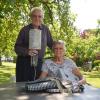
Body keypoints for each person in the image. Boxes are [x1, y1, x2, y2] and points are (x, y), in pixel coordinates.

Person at [14, 7, 53, 82]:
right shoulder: (24, 30)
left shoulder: (45, 29)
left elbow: (51, 44)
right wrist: (27, 51)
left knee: (38, 86)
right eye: (34, 16)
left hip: (39, 63)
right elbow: (17, 47)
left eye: (39, 16)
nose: (37, 18)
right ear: (31, 17)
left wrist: (61, 52)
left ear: (42, 18)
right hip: (24, 63)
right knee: (22, 87)